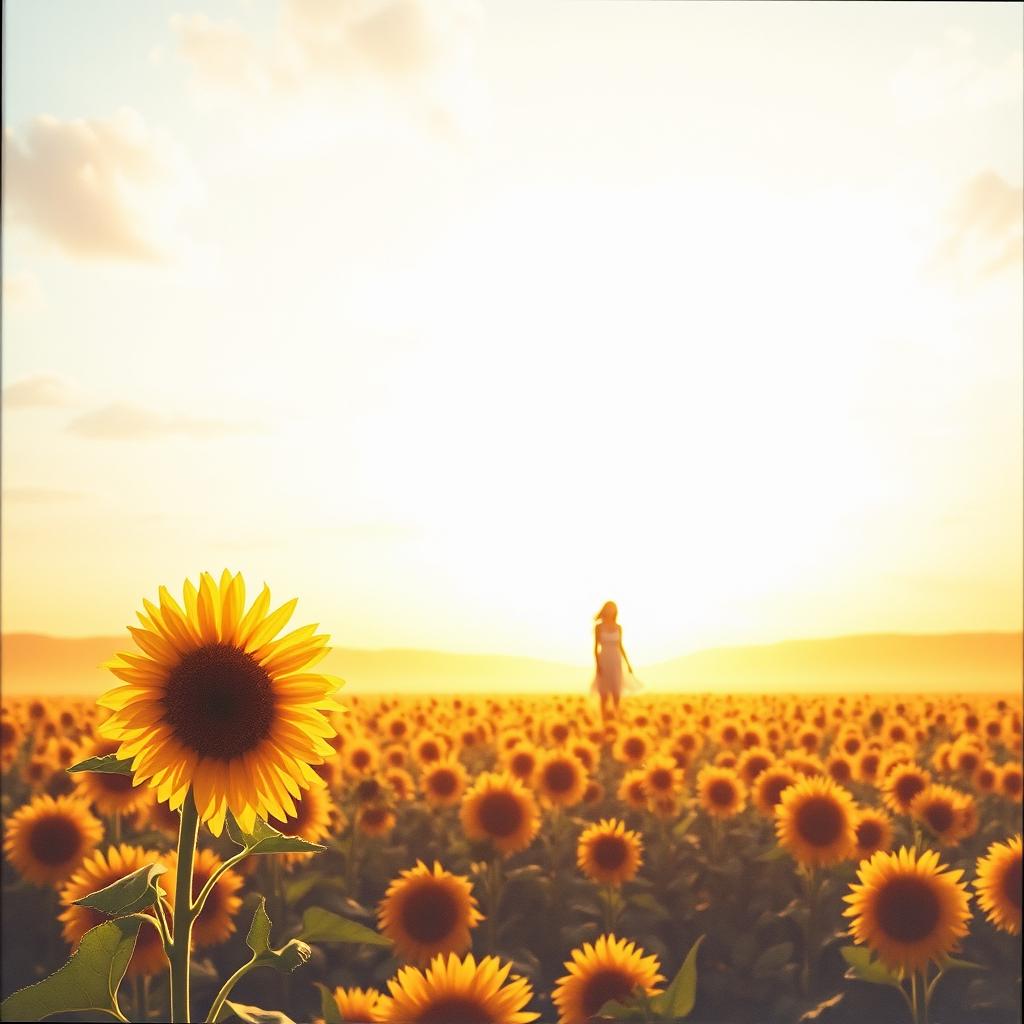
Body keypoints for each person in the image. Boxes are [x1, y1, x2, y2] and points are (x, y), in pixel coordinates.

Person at [590, 601, 639, 722]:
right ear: (605, 610)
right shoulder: (598, 627)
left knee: (616, 692)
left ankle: (617, 719)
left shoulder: (619, 627)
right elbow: (595, 647)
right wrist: (598, 665)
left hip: (616, 660)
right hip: (604, 660)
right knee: (604, 694)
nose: (610, 611)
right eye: (608, 608)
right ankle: (603, 720)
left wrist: (628, 664)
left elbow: (621, 646)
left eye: (612, 609)